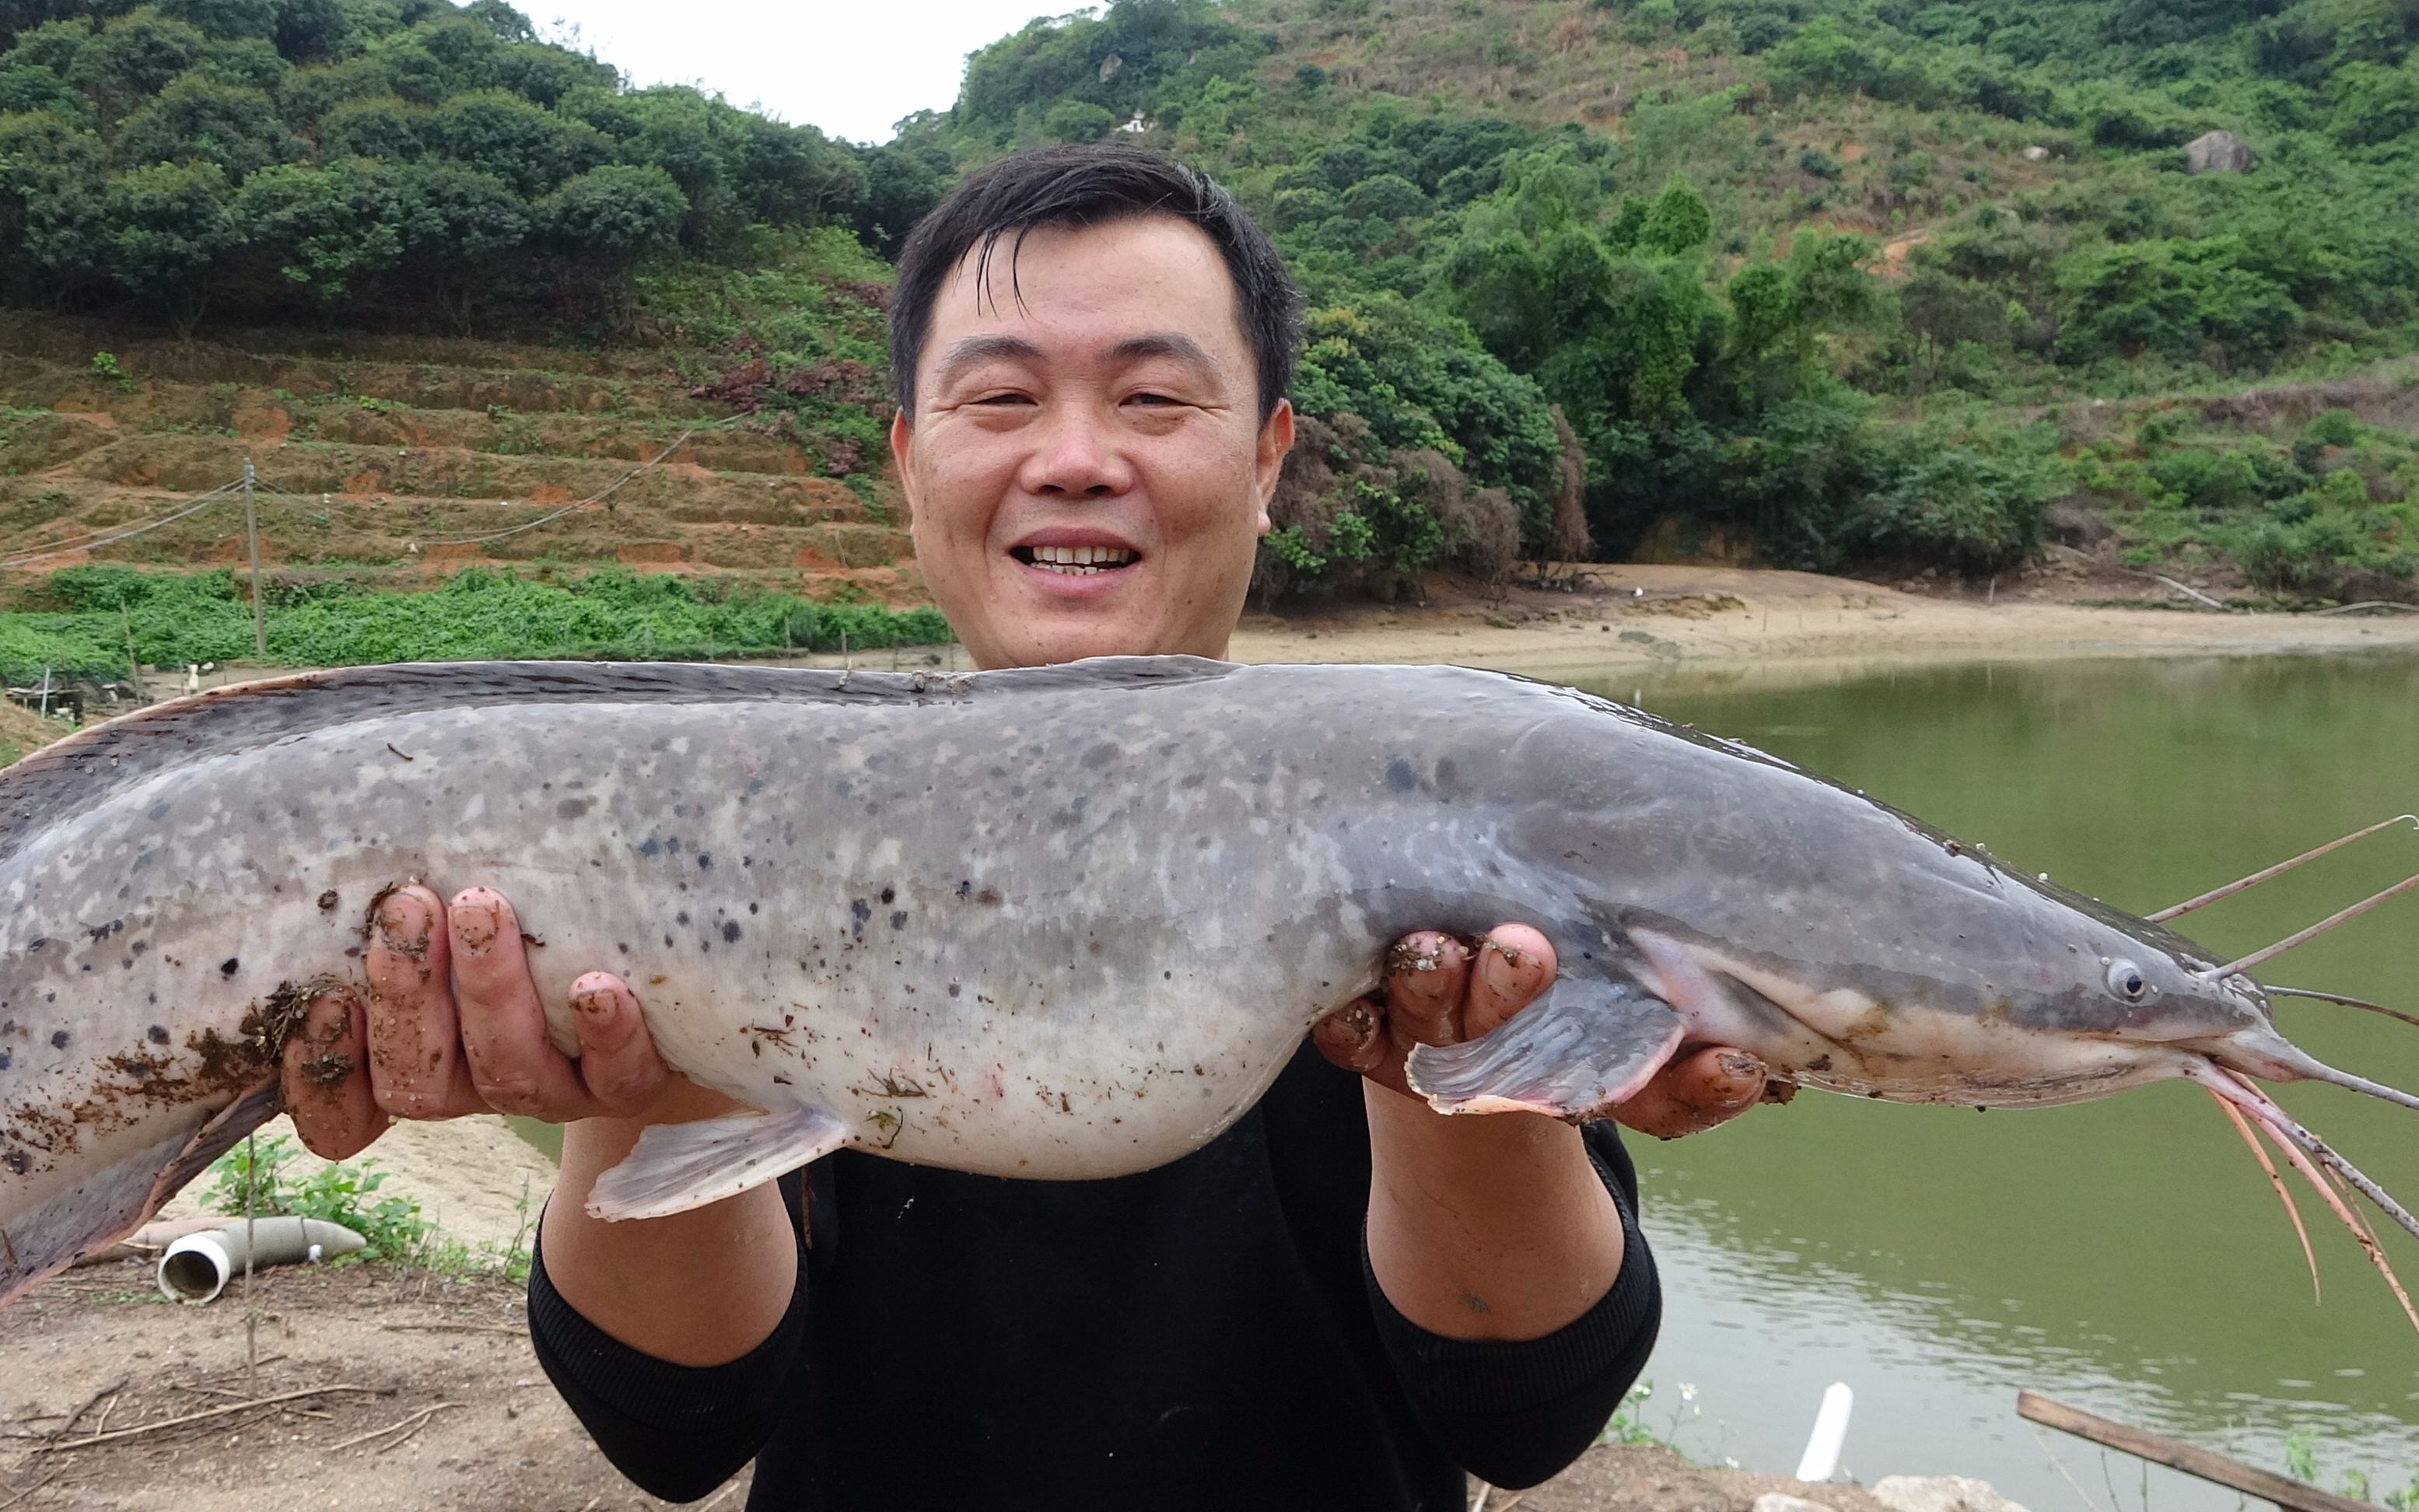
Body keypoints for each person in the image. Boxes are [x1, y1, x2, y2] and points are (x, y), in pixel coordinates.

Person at [278, 145, 1770, 1510]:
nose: (1073, 456)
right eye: (999, 399)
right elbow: (674, 1428)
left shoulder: (1425, 834)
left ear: (1265, 460)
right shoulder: (734, 828)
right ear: (909, 460)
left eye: (1153, 397)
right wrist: (645, 1087)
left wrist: (1454, 1065)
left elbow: (1519, 1413)